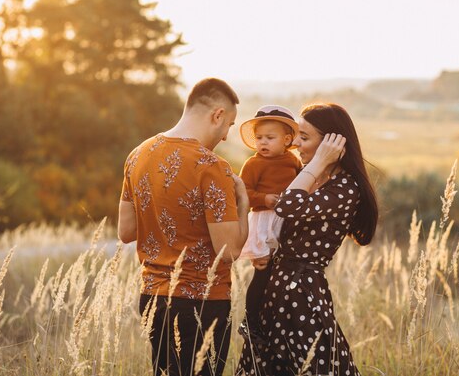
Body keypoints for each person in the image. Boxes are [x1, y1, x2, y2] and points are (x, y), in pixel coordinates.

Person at [118, 78, 250, 376]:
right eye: (229, 124)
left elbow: (125, 231)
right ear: (217, 115)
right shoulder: (212, 167)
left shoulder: (137, 155)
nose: (227, 136)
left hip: (152, 299)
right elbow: (228, 251)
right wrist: (244, 207)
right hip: (202, 304)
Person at [236, 103, 378, 376]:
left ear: (331, 143)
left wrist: (317, 162)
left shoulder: (345, 187)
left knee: (315, 367)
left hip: (301, 295)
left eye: (304, 137)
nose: (296, 144)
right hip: (275, 290)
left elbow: (286, 205)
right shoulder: (315, 178)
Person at [236, 105, 302, 343]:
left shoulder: (293, 161)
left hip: (285, 222)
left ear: (286, 140)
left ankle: (274, 321)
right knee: (262, 272)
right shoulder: (254, 164)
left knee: (280, 273)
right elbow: (243, 194)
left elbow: (303, 184)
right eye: (259, 138)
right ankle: (250, 321)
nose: (262, 143)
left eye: (269, 138)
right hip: (264, 220)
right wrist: (264, 198)